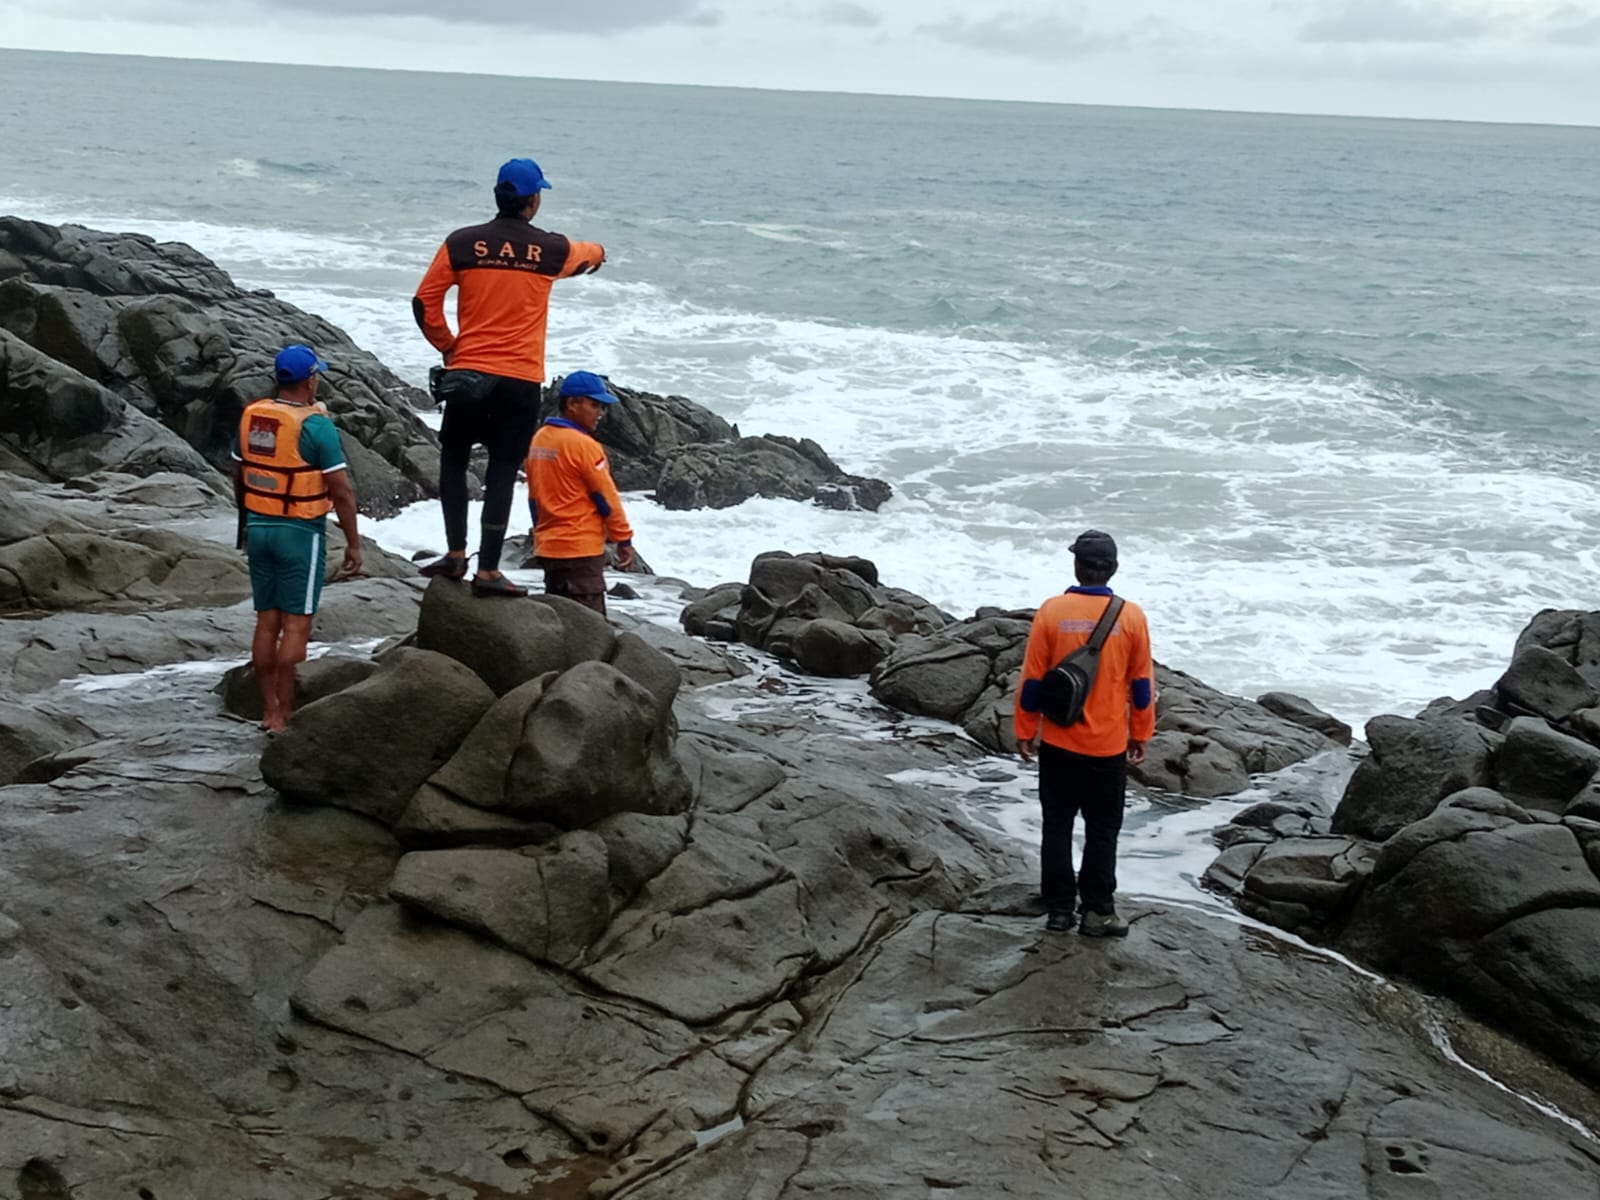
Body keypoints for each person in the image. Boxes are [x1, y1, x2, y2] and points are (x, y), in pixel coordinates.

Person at [411, 156, 607, 598]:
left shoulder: (462, 243)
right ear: (534, 200)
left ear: (499, 196)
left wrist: (450, 346)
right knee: (501, 470)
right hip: (519, 380)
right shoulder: (550, 250)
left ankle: (456, 555)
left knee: (454, 461)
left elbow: (424, 302)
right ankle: (489, 571)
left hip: (469, 374)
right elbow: (585, 256)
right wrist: (600, 254)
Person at [1013, 530, 1155, 937]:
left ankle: (1059, 911)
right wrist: (1141, 734)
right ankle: (1098, 912)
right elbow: (1142, 686)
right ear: (1112, 569)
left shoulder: (1052, 611)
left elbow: (1033, 681)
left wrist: (1025, 730)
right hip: (1107, 748)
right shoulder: (1131, 617)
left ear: (1076, 565)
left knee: (1056, 825)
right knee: (1103, 829)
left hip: (1058, 743)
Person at [233, 344, 361, 733]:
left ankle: (267, 706)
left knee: (266, 623)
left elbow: (238, 474)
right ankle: (283, 714)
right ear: (309, 381)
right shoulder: (316, 425)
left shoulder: (254, 415)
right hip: (300, 533)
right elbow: (340, 491)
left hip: (258, 527)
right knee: (296, 626)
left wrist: (250, 518)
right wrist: (354, 544)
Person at [525, 371, 636, 615]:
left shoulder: (539, 440)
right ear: (572, 403)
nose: (600, 413)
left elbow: (534, 498)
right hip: (580, 550)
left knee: (560, 623)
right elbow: (606, 499)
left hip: (549, 549)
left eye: (602, 407)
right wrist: (623, 539)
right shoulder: (583, 445)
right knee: (590, 630)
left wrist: (541, 533)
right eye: (594, 405)